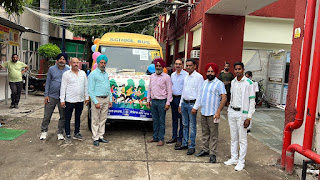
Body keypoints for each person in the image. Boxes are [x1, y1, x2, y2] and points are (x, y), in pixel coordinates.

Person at [224, 62, 256, 171]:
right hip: (232, 111)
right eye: (236, 69)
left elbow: (252, 101)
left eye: (239, 69)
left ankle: (241, 162)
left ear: (243, 69)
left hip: (242, 114)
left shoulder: (249, 83)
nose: (237, 71)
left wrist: (249, 117)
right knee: (233, 137)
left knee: (242, 139)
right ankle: (234, 158)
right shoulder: (233, 82)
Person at [192, 63, 227, 163]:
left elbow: (224, 98)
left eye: (212, 71)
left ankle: (213, 154)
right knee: (205, 133)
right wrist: (195, 107)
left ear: (215, 72)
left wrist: (218, 111)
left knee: (214, 135)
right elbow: (199, 96)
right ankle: (205, 150)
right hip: (203, 112)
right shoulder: (204, 82)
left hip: (213, 114)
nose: (210, 73)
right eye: (208, 71)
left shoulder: (219, 83)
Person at [175, 59, 204, 155]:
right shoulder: (186, 76)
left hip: (192, 104)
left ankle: (192, 146)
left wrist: (196, 107)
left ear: (194, 66)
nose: (188, 67)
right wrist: (180, 104)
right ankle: (185, 143)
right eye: (187, 65)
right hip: (184, 103)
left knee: (192, 126)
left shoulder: (199, 77)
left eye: (190, 65)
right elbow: (184, 91)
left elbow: (200, 93)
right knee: (185, 125)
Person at [40, 53, 70, 140]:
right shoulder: (51, 69)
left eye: (63, 59)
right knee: (47, 115)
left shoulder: (68, 70)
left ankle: (60, 132)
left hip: (63, 98)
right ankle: (44, 131)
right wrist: (46, 95)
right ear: (57, 60)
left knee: (63, 116)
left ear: (66, 61)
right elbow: (48, 82)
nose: (62, 60)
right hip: (51, 96)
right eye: (60, 59)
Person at [60, 57, 89, 144]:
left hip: (80, 100)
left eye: (77, 62)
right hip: (69, 100)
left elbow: (86, 86)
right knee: (67, 118)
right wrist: (62, 99)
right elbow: (63, 87)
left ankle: (77, 133)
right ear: (70, 63)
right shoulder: (66, 74)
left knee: (78, 117)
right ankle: (68, 134)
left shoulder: (83, 73)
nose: (76, 64)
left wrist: (86, 98)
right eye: (74, 63)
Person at [147, 58, 172, 146]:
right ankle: (155, 137)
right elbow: (149, 89)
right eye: (156, 66)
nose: (158, 67)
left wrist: (168, 103)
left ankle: (161, 138)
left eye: (159, 66)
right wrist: (148, 100)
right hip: (154, 101)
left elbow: (169, 90)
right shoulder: (152, 76)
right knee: (155, 120)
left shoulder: (167, 77)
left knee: (162, 121)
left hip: (162, 102)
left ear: (162, 67)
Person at [88, 55, 113, 146]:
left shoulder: (106, 74)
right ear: (97, 63)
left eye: (104, 63)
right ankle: (95, 138)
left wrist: (110, 99)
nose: (103, 64)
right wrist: (95, 102)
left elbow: (108, 87)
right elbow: (90, 90)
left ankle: (101, 136)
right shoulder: (93, 74)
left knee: (103, 119)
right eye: (101, 63)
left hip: (105, 99)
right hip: (97, 100)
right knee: (95, 119)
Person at [166, 58, 187, 147]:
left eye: (179, 64)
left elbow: (185, 89)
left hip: (181, 99)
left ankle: (180, 139)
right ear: (174, 65)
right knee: (174, 119)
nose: (178, 65)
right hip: (173, 99)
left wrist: (181, 103)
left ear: (182, 65)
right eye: (176, 64)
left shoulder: (185, 75)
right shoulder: (172, 75)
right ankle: (174, 136)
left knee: (182, 120)